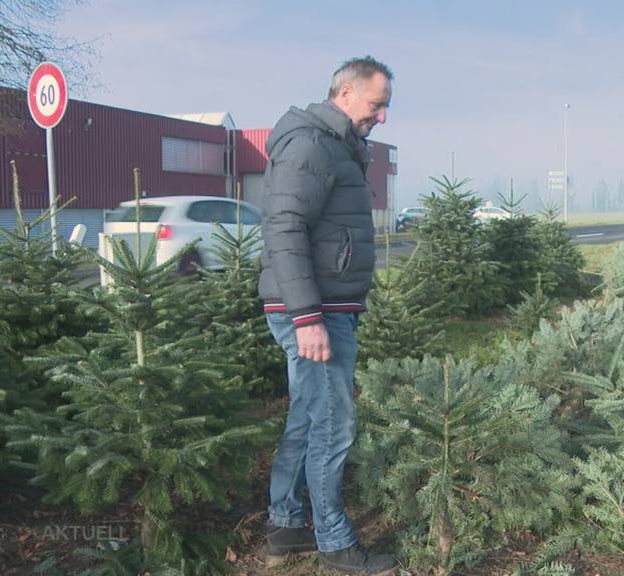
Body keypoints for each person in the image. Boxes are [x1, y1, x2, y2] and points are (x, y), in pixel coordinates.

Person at [258, 56, 396, 575]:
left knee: (308, 415)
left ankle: (287, 526)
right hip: (315, 311)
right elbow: (285, 227)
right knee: (333, 425)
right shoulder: (312, 145)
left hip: (321, 305)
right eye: (376, 104)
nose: (382, 117)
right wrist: (308, 317)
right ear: (344, 93)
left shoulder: (336, 145)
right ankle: (335, 543)